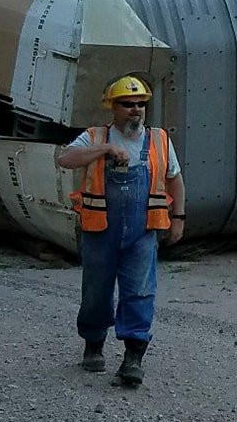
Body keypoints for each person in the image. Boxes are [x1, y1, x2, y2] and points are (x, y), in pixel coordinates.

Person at [53, 74, 184, 388]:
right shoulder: (96, 137)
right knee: (96, 292)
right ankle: (93, 344)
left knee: (139, 291)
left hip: (143, 231)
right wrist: (104, 150)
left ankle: (133, 358)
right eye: (127, 104)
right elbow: (65, 159)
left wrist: (178, 217)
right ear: (113, 107)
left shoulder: (159, 140)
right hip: (101, 231)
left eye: (140, 104)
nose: (135, 110)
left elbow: (175, 179)